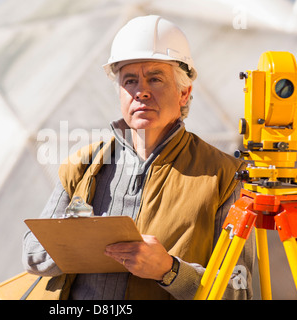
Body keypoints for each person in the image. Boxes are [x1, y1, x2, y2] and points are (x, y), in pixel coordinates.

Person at [22, 15, 254, 300]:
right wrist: (76, 241)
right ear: (119, 92)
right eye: (130, 80)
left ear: (185, 93)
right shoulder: (83, 165)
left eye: (155, 79)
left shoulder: (225, 176)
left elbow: (239, 292)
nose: (141, 91)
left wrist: (169, 270)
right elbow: (31, 255)